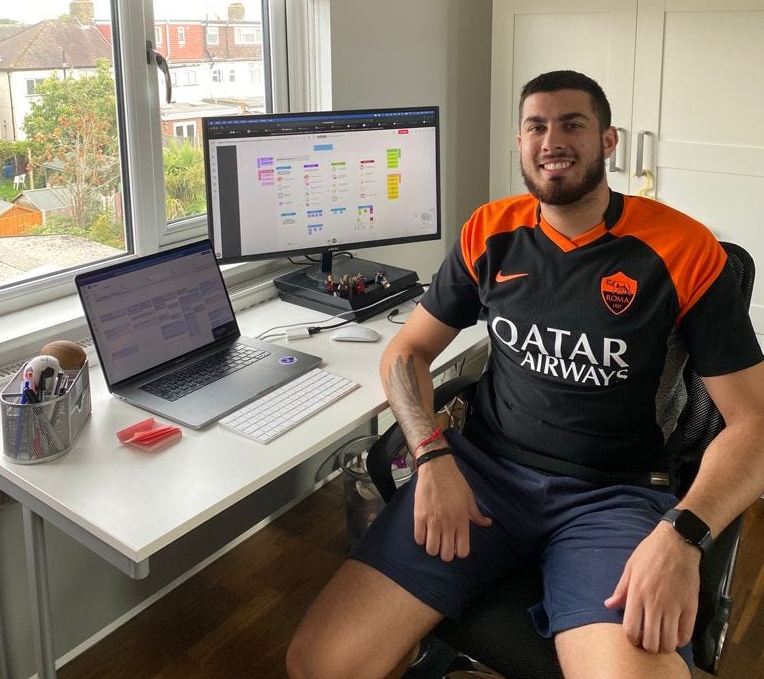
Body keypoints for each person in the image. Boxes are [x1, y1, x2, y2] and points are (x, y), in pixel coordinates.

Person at [287, 70, 764, 679]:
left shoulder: (684, 249)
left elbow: (753, 421)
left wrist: (684, 535)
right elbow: (405, 352)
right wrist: (431, 457)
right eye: (536, 126)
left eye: (572, 124)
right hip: (482, 477)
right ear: (518, 142)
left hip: (612, 496)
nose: (551, 141)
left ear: (609, 141)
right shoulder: (490, 232)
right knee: (320, 663)